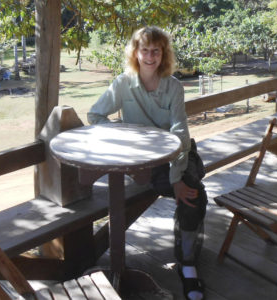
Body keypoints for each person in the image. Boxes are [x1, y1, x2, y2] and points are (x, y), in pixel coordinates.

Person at [87, 26, 207, 300]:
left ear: (163, 53)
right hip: (144, 163)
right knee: (192, 192)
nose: (150, 56)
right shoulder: (122, 83)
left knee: (193, 194)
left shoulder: (174, 86)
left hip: (176, 155)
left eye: (156, 50)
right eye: (145, 50)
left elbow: (180, 133)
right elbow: (95, 114)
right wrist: (125, 136)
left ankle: (187, 265)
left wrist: (176, 178)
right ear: (136, 53)